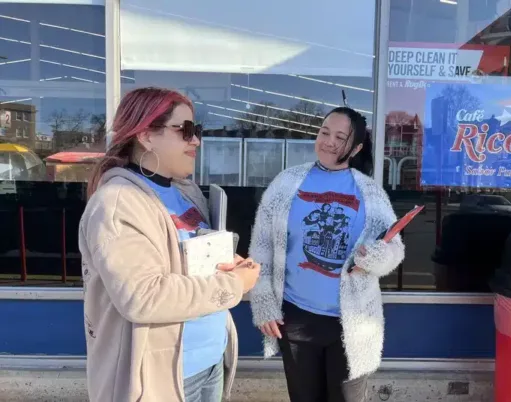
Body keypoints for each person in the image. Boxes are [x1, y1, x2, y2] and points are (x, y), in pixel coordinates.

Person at [79, 87, 260, 402]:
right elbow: (143, 297)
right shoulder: (118, 203)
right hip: (161, 379)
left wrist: (229, 259)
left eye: (197, 131)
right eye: (186, 130)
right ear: (147, 135)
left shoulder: (185, 192)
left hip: (211, 363)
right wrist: (233, 284)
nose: (196, 141)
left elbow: (187, 256)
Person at [248, 107, 405, 402]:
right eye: (324, 132)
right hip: (295, 318)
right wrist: (264, 303)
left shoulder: (370, 192)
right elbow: (261, 247)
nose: (329, 141)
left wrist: (374, 256)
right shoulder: (286, 183)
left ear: (356, 147)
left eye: (340, 137)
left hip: (351, 323)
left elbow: (394, 249)